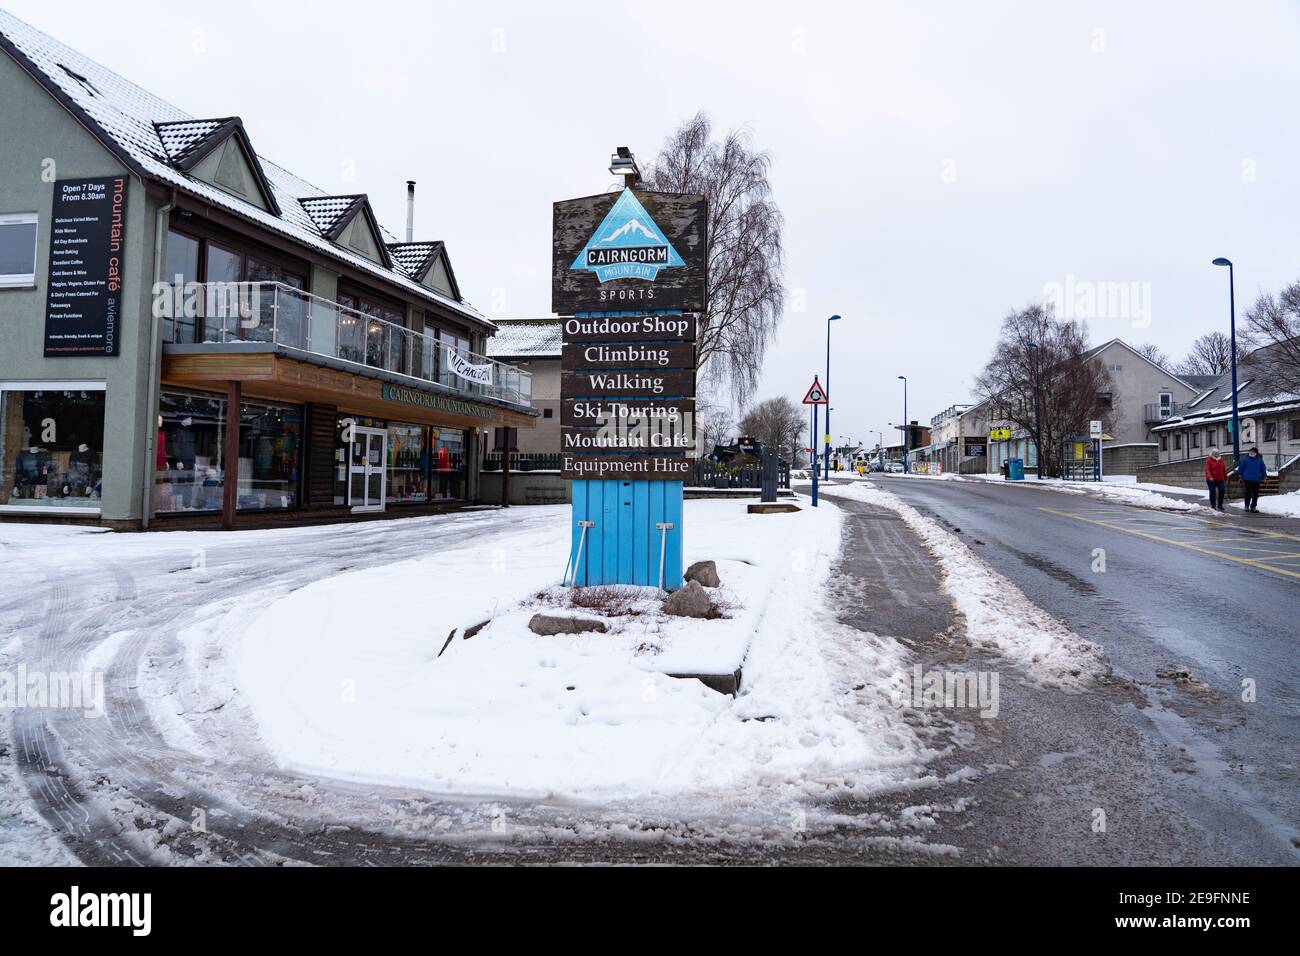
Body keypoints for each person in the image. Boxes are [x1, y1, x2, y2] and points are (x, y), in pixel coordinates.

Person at [1237, 446, 1267, 513]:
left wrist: (1265, 477)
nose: (1251, 453)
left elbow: (1263, 469)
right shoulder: (1245, 460)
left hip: (1257, 479)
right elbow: (1240, 468)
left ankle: (1253, 506)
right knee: (1248, 493)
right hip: (1247, 479)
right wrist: (1240, 476)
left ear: (1256, 453)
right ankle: (1246, 506)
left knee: (1255, 494)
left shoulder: (1260, 460)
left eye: (1253, 452)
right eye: (1250, 452)